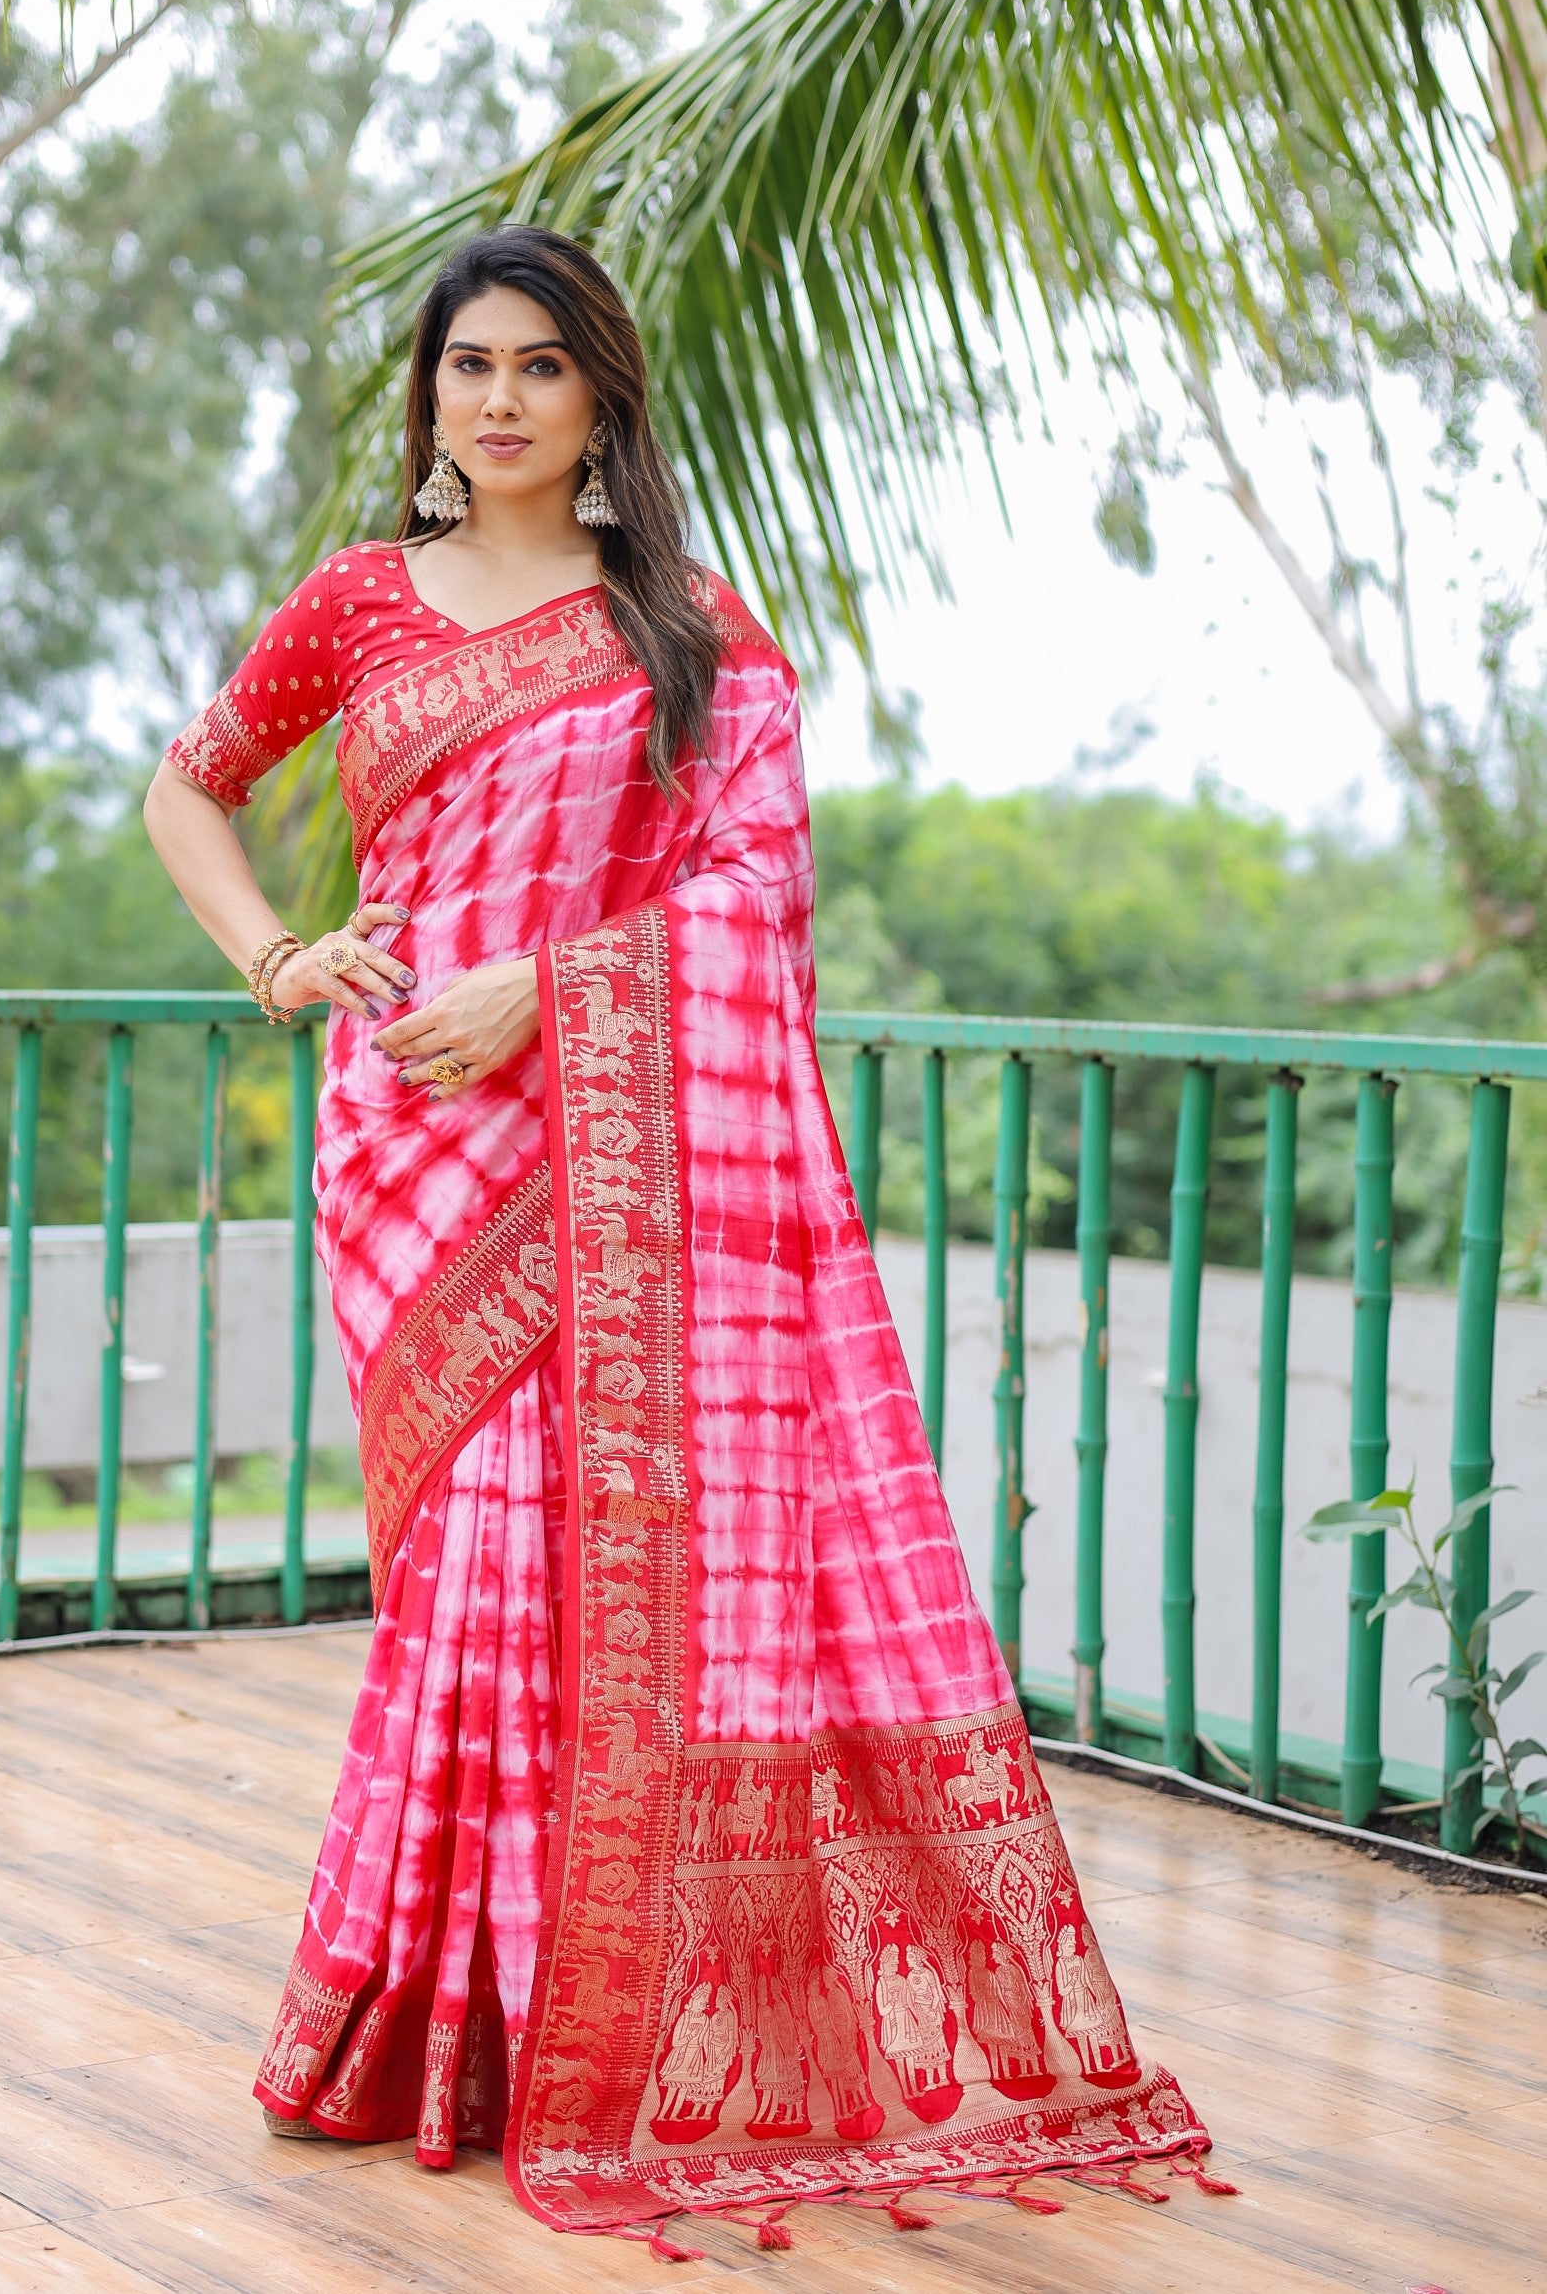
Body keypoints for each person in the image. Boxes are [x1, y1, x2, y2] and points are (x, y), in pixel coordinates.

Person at [144, 224, 1210, 2242]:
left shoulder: (690, 626)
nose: (501, 398)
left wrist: (546, 990)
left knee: (577, 1576)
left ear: (599, 395)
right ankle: (423, 2017)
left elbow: (753, 896)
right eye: (469, 362)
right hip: (415, 1141)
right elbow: (186, 789)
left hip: (608, 1134)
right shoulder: (359, 605)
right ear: (429, 394)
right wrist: (280, 951)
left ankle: (569, 2032)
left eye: (543, 365)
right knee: (468, 1571)